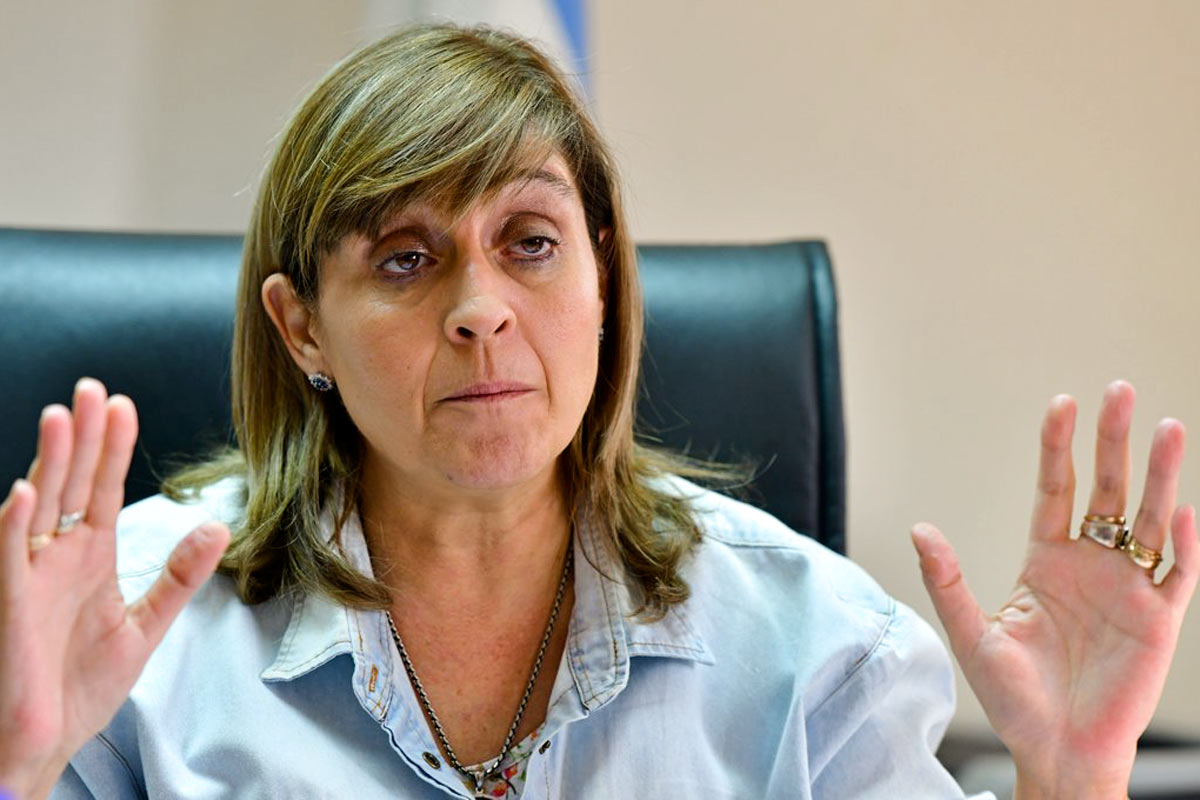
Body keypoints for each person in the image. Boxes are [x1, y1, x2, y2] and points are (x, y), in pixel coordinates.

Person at [0, 23, 1196, 800]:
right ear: (301, 324)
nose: (481, 310)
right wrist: (16, 762)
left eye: (530, 241)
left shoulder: (814, 647)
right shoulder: (129, 636)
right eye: (406, 258)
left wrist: (1072, 781)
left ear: (606, 277)